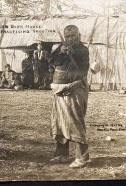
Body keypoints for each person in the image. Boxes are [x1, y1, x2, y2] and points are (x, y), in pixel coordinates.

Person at [48, 25, 90, 168]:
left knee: (75, 122)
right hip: (59, 91)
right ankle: (62, 155)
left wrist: (73, 54)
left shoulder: (83, 50)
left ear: (79, 35)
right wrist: (61, 52)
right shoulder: (61, 47)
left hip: (75, 90)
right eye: (67, 36)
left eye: (73, 36)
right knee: (60, 122)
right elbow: (51, 61)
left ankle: (82, 158)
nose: (70, 39)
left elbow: (83, 70)